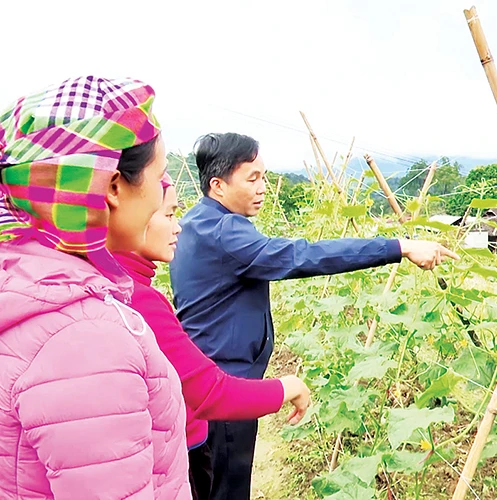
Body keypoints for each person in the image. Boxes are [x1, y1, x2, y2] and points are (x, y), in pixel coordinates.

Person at [170, 132, 458, 499]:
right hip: (226, 388)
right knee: (227, 491)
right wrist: (398, 246)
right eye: (252, 178)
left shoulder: (197, 221)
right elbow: (303, 256)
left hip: (204, 378)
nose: (263, 188)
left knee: (207, 485)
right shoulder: (226, 231)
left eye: (264, 176)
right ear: (218, 185)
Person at [0, 77, 191, 498]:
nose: (163, 197)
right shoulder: (84, 339)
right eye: (159, 179)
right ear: (112, 187)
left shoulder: (24, 280)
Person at [114, 175, 311, 500]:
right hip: (180, 452)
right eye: (168, 214)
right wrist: (288, 386)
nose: (178, 227)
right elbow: (210, 393)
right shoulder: (136, 301)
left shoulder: (108, 282)